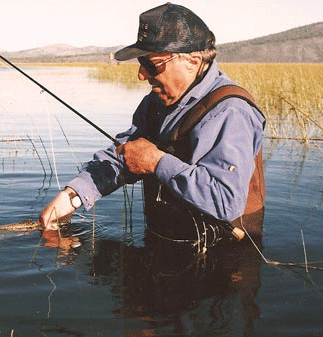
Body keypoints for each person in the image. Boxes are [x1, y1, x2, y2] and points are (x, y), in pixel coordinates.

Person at [40, 3, 265, 247]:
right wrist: (72, 196)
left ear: (193, 60)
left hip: (224, 260)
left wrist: (156, 162)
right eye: (141, 63)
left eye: (151, 65)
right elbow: (124, 154)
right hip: (163, 245)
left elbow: (225, 201)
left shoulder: (231, 112)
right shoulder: (154, 104)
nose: (141, 74)